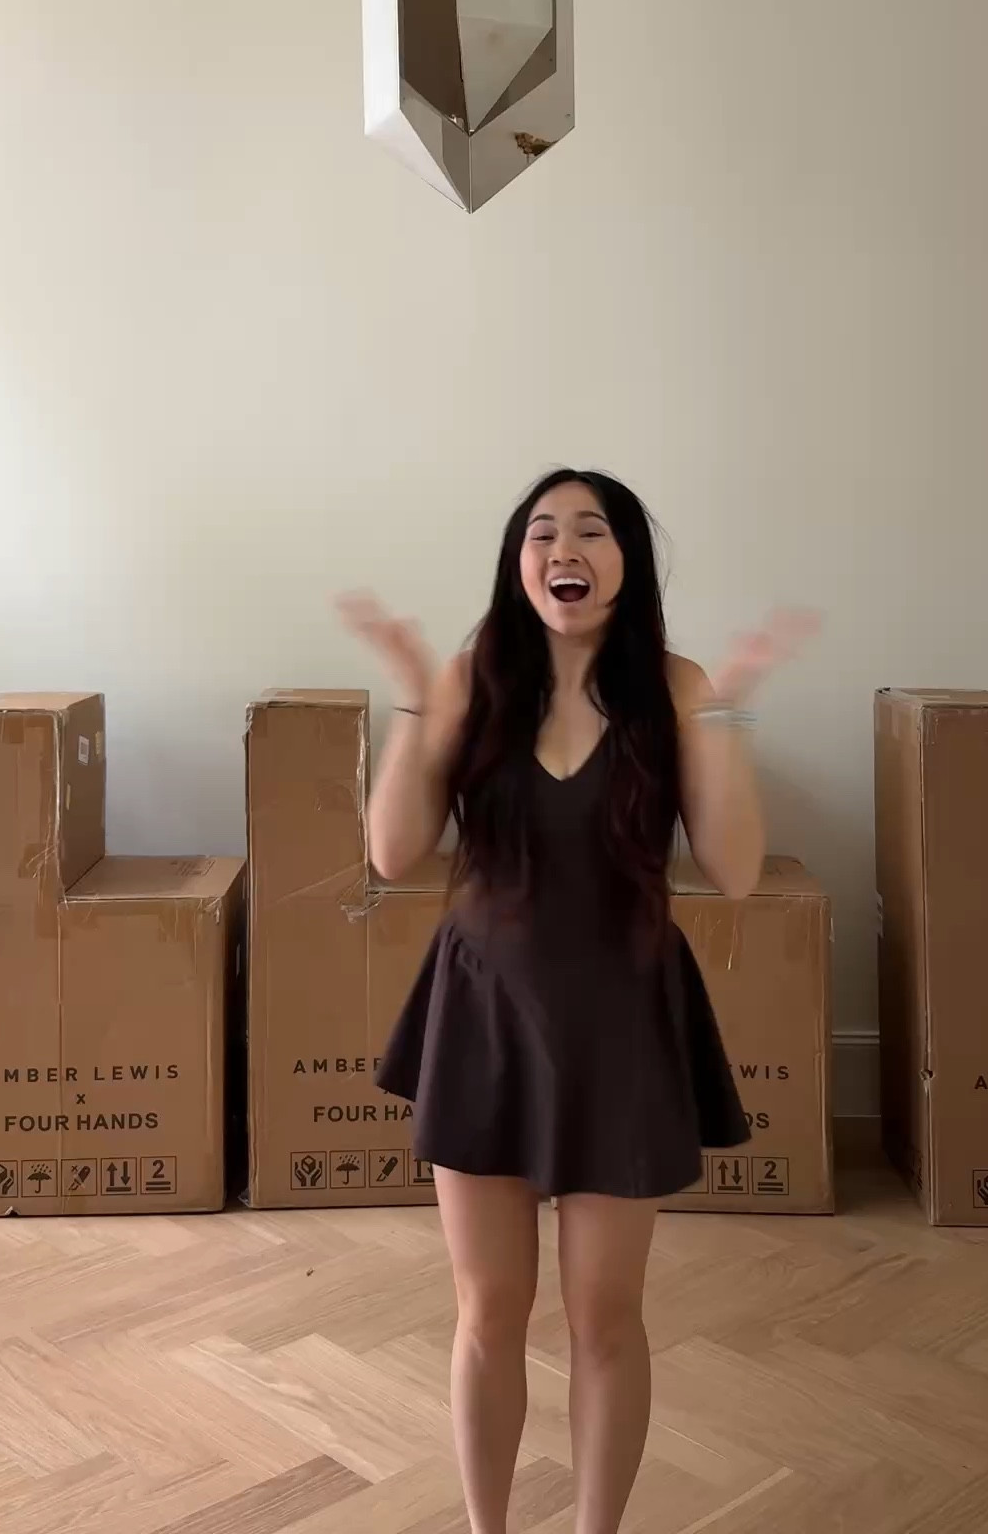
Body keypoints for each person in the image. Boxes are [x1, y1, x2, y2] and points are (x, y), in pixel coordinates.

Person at [338, 468, 816, 1534]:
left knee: (606, 1318)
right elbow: (391, 852)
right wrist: (419, 695)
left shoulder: (679, 688)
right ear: (519, 565)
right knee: (489, 1311)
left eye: (593, 531)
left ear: (627, 561)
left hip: (624, 1026)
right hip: (484, 1019)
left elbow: (736, 871)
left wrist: (728, 713)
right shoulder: (473, 679)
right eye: (543, 531)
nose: (567, 548)